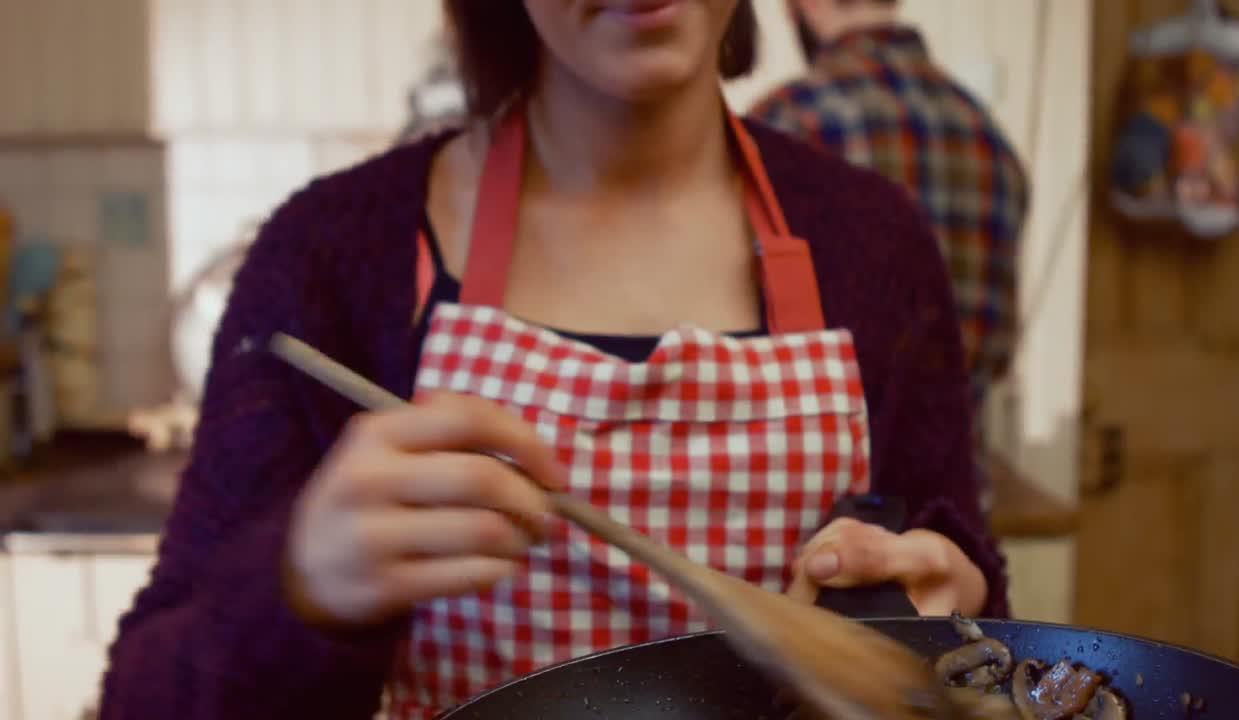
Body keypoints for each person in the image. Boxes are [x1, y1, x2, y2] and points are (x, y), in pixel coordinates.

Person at [101, 1, 1007, 717]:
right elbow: (140, 701)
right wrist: (298, 590)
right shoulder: (330, 258)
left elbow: (970, 634)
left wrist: (949, 604)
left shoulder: (879, 248)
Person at [751, 0, 1031, 513]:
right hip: (952, 521)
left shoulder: (784, 125)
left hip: (822, 522)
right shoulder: (990, 139)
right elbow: (995, 350)